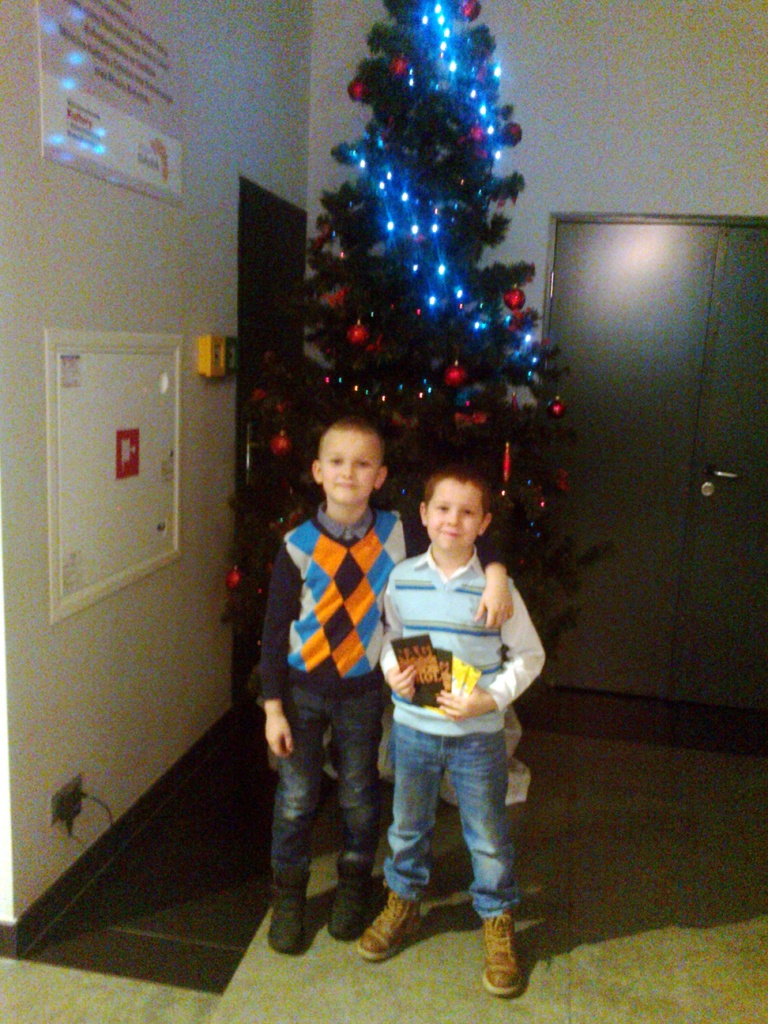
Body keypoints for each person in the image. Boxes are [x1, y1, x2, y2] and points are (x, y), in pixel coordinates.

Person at [259, 417, 514, 955]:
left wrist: (494, 574)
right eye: (336, 462)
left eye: (362, 464)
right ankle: (288, 897)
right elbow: (274, 628)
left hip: (361, 693)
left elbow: (464, 534)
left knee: (358, 794)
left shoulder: (398, 531)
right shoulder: (297, 546)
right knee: (296, 798)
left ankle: (355, 887)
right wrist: (273, 707)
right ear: (317, 471)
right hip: (301, 694)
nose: (348, 473)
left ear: (379, 476)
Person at [356, 465, 545, 998]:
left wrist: (491, 698)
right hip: (414, 730)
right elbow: (390, 637)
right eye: (442, 509)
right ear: (424, 514)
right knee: (407, 825)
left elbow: (529, 656)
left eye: (467, 513)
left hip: (477, 737)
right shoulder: (402, 579)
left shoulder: (497, 590)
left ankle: (497, 917)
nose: (452, 521)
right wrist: (393, 670)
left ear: (483, 523)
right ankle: (403, 903)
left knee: (486, 833)